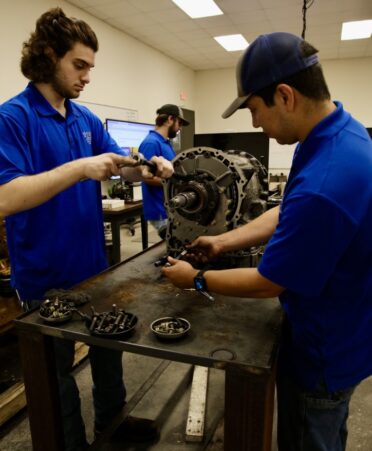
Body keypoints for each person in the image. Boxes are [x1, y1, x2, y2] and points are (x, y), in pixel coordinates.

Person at [162, 32, 372, 451]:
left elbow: (268, 281)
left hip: (323, 351)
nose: (254, 123)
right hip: (344, 327)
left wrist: (196, 279)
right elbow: (288, 209)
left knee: (311, 437)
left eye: (255, 109)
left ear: (285, 95)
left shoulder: (326, 178)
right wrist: (223, 242)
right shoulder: (336, 134)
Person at [0, 8, 173, 451]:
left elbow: (120, 166)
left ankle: (111, 428)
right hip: (45, 279)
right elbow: (7, 196)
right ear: (47, 56)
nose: (87, 77)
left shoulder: (85, 120)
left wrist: (150, 169)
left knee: (109, 359)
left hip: (93, 270)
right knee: (56, 381)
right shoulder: (12, 118)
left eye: (91, 67)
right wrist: (79, 168)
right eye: (79, 65)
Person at [140, 104, 189, 239]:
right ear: (170, 119)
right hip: (160, 209)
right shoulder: (151, 143)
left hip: (170, 208)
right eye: (179, 123)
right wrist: (176, 185)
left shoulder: (165, 143)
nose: (180, 128)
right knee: (178, 242)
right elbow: (146, 176)